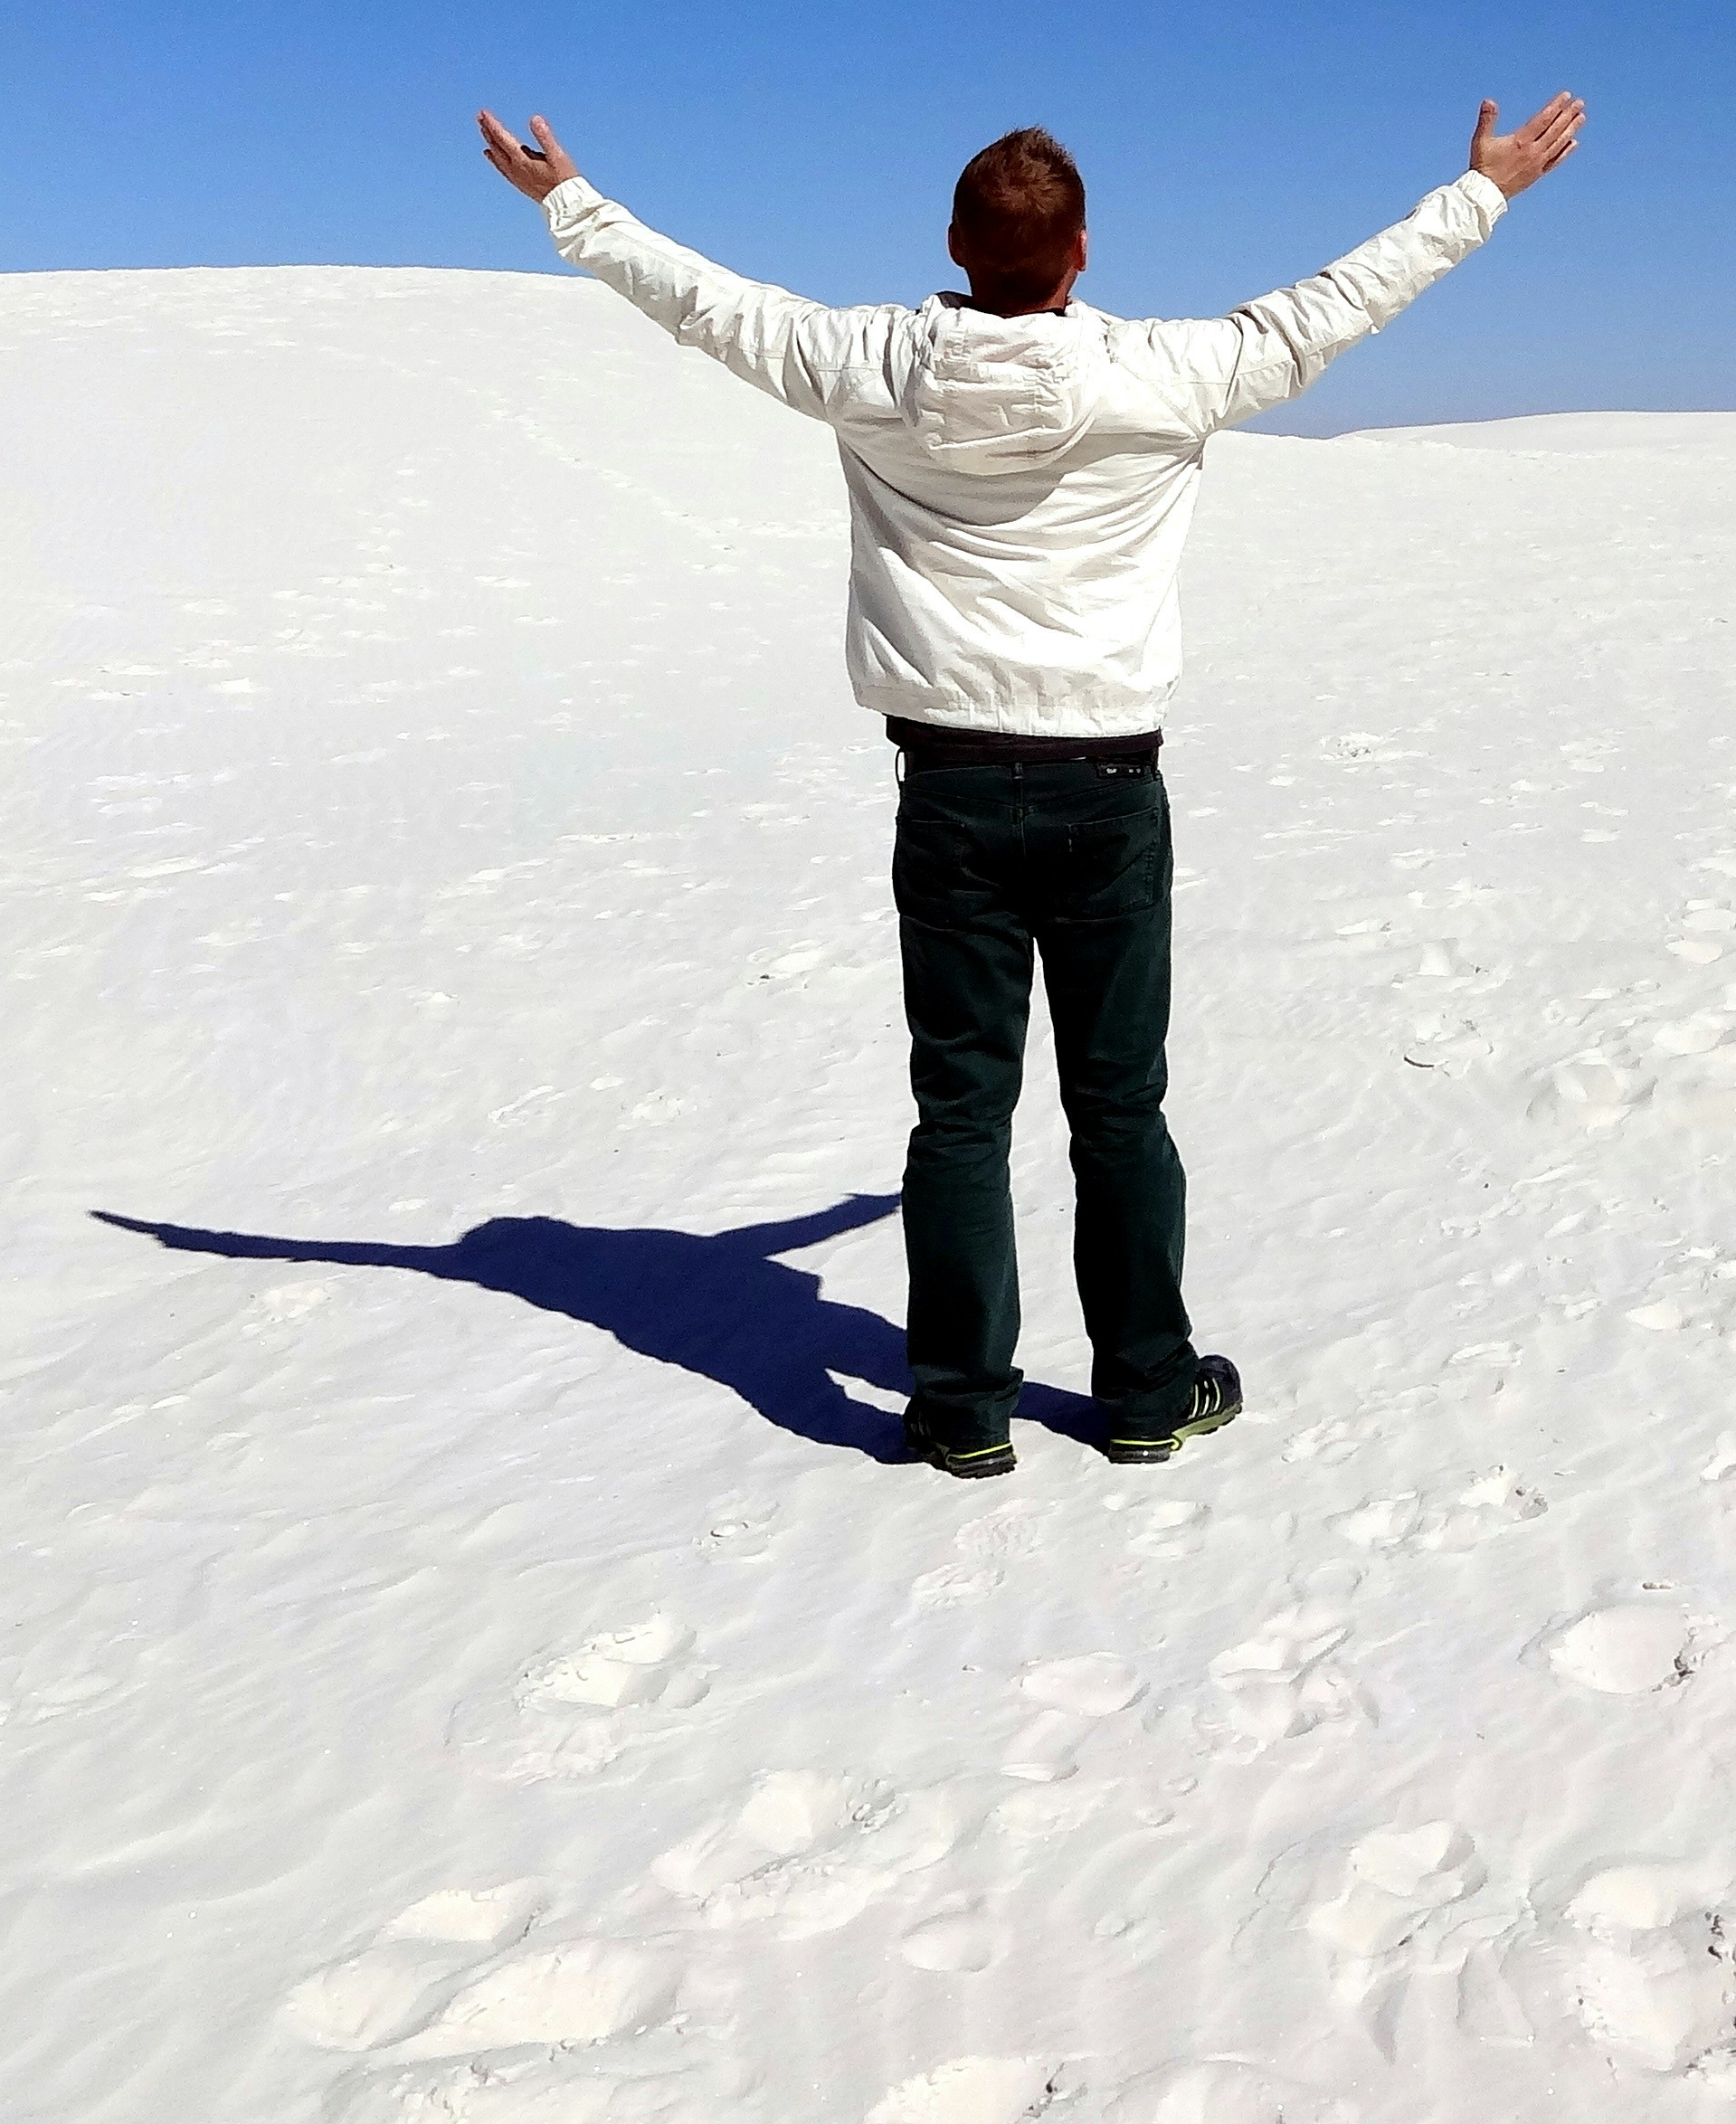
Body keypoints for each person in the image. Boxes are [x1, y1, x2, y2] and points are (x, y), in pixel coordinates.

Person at [476, 93, 1588, 1479]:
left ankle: (962, 1407)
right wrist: (1480, 194)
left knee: (962, 1113)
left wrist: (570, 204)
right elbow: (1336, 306)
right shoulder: (1167, 373)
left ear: (954, 244)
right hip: (1108, 793)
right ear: (1082, 254)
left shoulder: (870, 364)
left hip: (949, 792)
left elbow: (706, 304)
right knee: (1118, 1108)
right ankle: (1146, 1390)